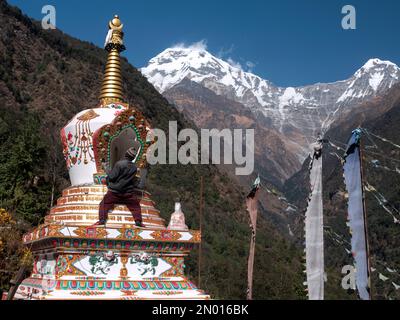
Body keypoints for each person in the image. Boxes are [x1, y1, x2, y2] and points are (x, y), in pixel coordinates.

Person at [93, 147, 144, 227]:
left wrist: (105, 167)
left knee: (103, 204)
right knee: (135, 206)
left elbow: (112, 176)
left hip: (114, 192)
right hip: (127, 193)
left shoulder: (119, 164)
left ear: (126, 154)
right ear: (133, 157)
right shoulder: (134, 168)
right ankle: (138, 221)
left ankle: (102, 220)